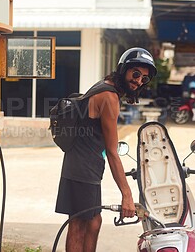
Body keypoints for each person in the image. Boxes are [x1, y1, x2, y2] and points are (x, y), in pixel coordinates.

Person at [55, 47, 157, 251]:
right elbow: (112, 151)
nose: (138, 81)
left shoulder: (105, 87)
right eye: (135, 74)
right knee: (79, 225)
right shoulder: (109, 98)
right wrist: (127, 195)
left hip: (84, 166)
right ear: (123, 69)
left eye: (144, 79)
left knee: (93, 222)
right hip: (82, 169)